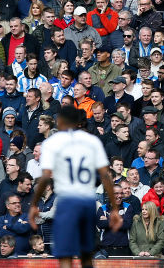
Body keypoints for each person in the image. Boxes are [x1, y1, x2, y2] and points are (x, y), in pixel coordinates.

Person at [29, 106, 121, 268]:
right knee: (86, 254)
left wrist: (34, 204)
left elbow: (45, 176)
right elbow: (106, 175)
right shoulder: (92, 140)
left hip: (66, 200)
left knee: (65, 255)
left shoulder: (52, 142)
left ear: (60, 121)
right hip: (87, 200)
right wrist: (113, 208)